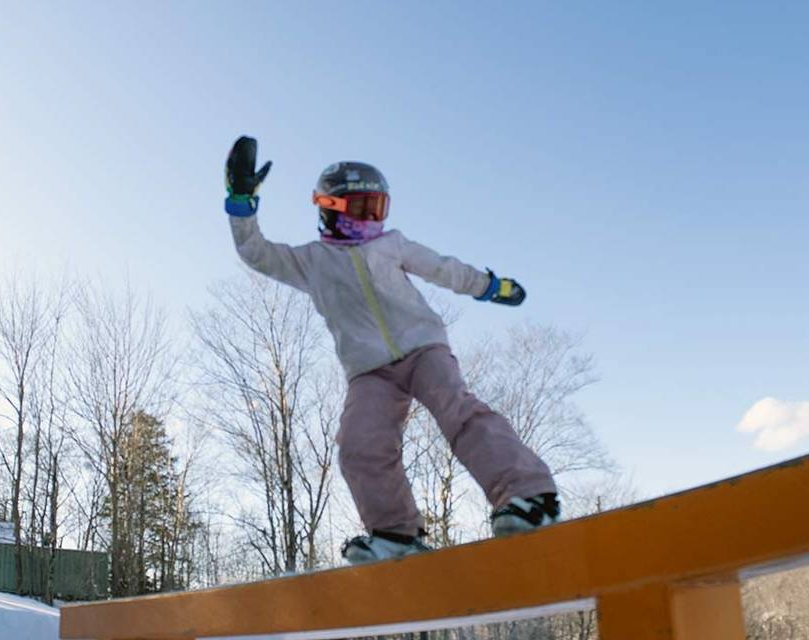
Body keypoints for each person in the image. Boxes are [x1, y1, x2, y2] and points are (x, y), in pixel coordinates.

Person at [220, 137, 559, 565]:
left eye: (377, 210)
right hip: (369, 371)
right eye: (362, 209)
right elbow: (257, 254)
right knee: (359, 444)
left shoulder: (392, 244)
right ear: (330, 208)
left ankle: (529, 496)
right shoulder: (311, 261)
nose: (371, 221)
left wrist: (491, 286)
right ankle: (395, 533)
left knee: (458, 411)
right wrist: (240, 201)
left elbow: (443, 268)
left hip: (423, 348)